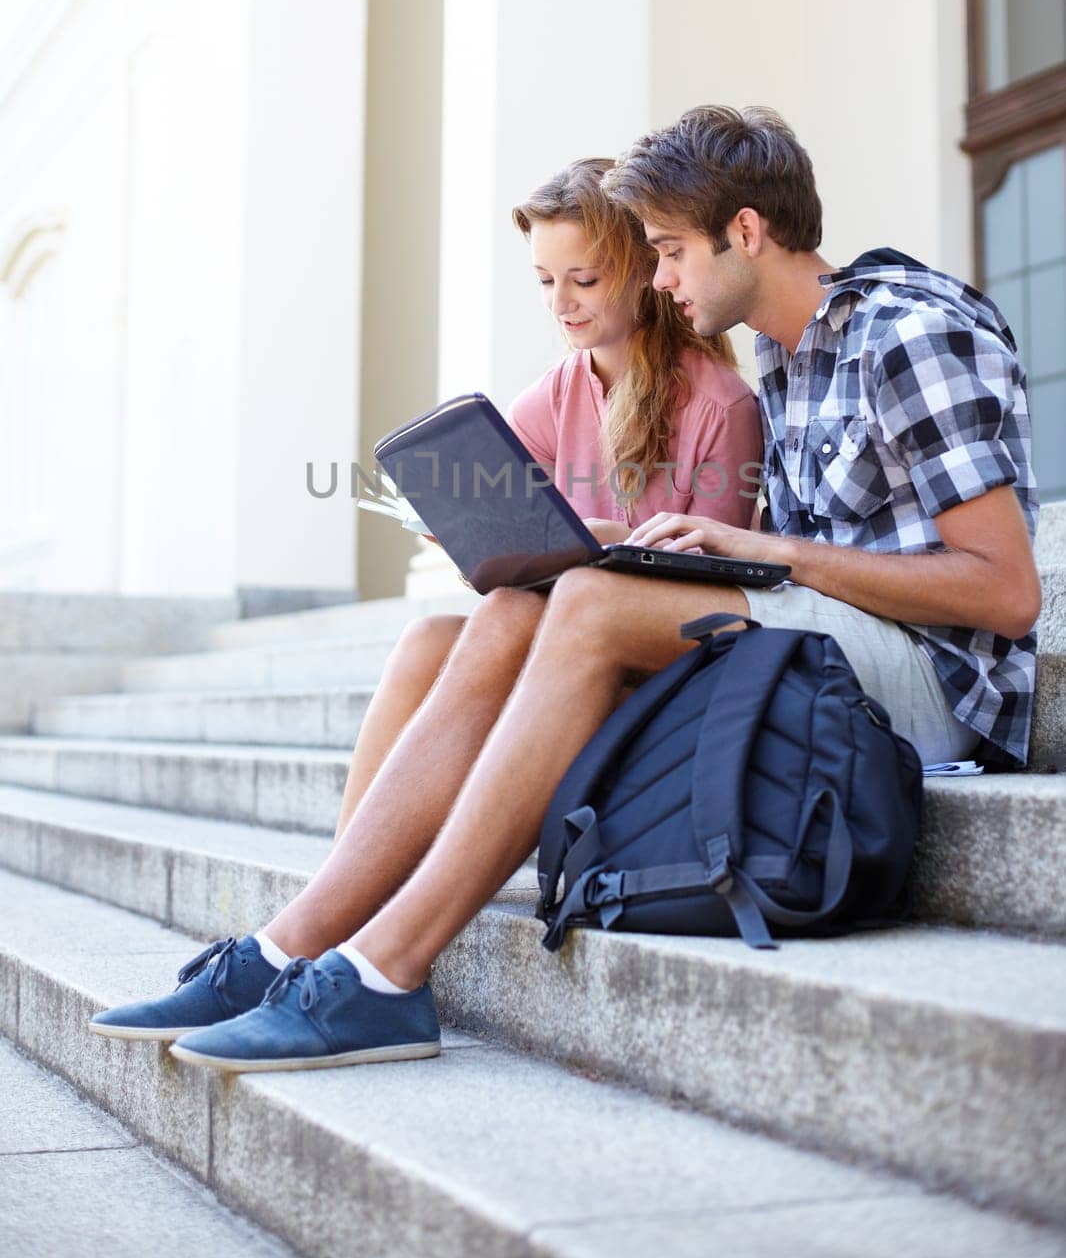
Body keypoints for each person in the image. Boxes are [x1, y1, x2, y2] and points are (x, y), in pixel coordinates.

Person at [90, 106, 1040, 1076]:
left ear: (745, 232)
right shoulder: (790, 352)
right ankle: (287, 950)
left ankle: (383, 974)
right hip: (820, 642)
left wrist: (767, 552)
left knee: (585, 601)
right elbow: (802, 560)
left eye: (667, 251)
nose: (660, 278)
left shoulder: (905, 334)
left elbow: (1005, 596)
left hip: (928, 690)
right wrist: (671, 547)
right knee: (511, 604)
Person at [332, 156, 761, 836]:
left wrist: (600, 538)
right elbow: (508, 515)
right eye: (544, 281)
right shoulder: (557, 391)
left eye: (583, 280)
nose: (561, 303)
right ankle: (345, 874)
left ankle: (390, 882)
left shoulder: (721, 406)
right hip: (557, 638)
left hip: (657, 664)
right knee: (425, 641)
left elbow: (724, 597)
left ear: (643, 271)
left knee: (503, 618)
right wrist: (459, 523)